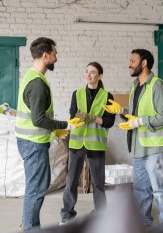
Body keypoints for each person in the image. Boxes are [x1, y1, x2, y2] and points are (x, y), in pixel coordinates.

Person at [15, 37, 83, 231]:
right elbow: (37, 120)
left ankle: (29, 222)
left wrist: (55, 130)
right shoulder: (37, 83)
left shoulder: (31, 76)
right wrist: (66, 125)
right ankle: (30, 227)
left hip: (31, 141)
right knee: (36, 188)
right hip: (33, 143)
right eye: (54, 54)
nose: (56, 58)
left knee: (38, 185)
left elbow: (36, 116)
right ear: (45, 55)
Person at [102, 49, 163, 226]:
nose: (129, 64)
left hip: (155, 149)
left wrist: (140, 121)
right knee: (141, 189)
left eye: (133, 61)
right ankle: (143, 223)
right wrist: (121, 111)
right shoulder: (135, 86)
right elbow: (135, 116)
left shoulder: (157, 85)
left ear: (144, 63)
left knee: (159, 191)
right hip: (138, 147)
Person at [60, 62, 116, 225]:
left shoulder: (107, 96)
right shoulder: (76, 93)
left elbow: (109, 121)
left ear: (100, 76)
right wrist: (78, 117)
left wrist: (92, 118)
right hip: (77, 143)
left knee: (98, 183)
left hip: (96, 144)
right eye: (86, 72)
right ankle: (67, 214)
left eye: (92, 72)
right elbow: (73, 116)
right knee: (71, 181)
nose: (89, 75)